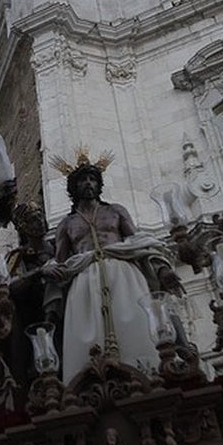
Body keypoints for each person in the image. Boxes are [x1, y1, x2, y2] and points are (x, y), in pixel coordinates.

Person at [43, 151, 178, 382]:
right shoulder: (67, 224)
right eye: (82, 180)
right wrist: (47, 268)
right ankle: (88, 384)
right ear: (73, 188)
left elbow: (138, 243)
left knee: (135, 325)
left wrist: (163, 269)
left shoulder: (115, 211)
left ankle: (150, 376)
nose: (88, 183)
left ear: (99, 184)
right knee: (88, 338)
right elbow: (61, 261)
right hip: (84, 281)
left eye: (92, 179)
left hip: (123, 274)